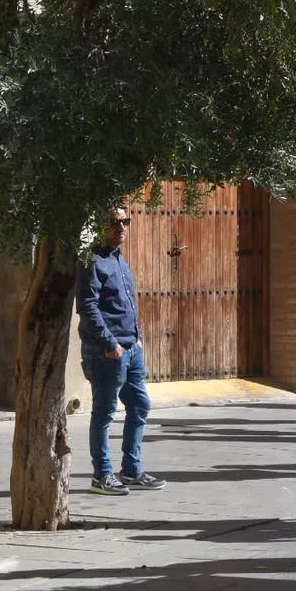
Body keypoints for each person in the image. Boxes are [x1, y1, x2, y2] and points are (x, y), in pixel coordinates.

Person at [75, 207, 164, 496]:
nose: (121, 227)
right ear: (101, 225)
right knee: (104, 412)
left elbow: (128, 305)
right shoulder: (92, 260)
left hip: (132, 349)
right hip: (107, 352)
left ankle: (131, 470)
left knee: (139, 405)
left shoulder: (120, 262)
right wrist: (109, 344)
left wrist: (137, 338)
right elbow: (87, 307)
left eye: (125, 221)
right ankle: (101, 475)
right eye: (114, 222)